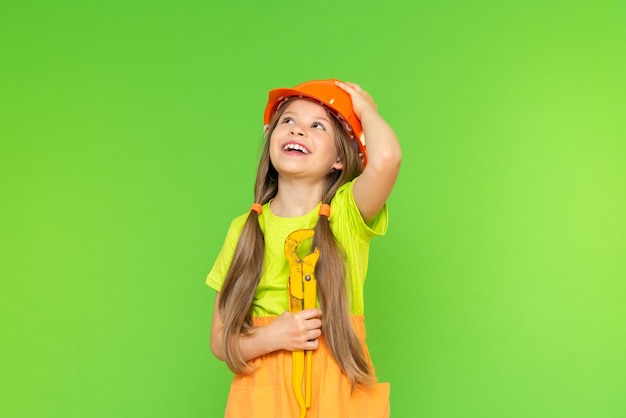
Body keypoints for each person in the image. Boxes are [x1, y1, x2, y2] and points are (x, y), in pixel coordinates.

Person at [206, 78, 401, 417]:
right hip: (264, 395)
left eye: (317, 126)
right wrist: (274, 337)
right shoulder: (245, 229)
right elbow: (220, 341)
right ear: (272, 139)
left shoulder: (347, 216)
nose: (297, 131)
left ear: (340, 158)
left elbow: (386, 158)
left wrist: (365, 108)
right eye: (288, 121)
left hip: (338, 390)